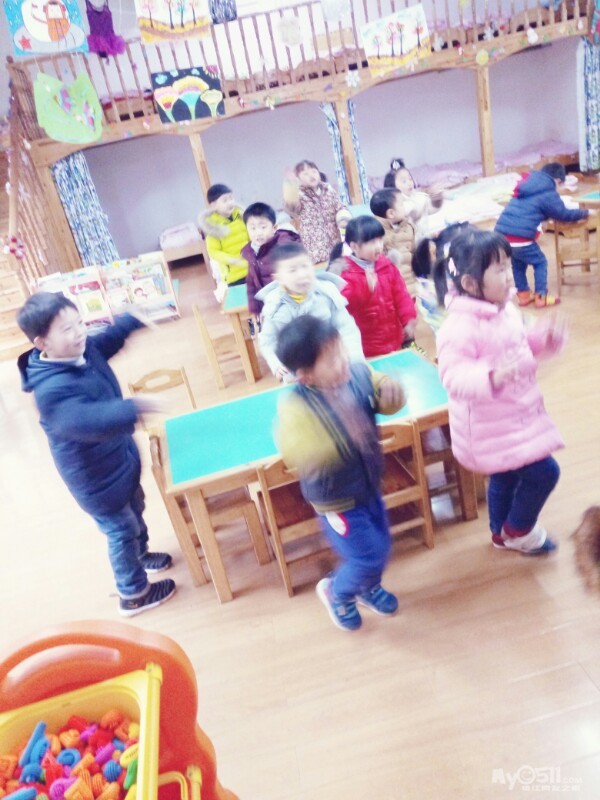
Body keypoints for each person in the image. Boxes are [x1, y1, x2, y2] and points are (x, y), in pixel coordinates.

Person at [16, 292, 176, 616]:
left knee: (136, 507)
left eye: (80, 323)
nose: (79, 333)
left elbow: (104, 342)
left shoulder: (81, 349)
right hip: (94, 478)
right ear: (42, 343)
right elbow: (88, 420)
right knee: (121, 529)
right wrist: (134, 408)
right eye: (67, 329)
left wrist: (131, 320)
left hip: (117, 459)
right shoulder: (50, 391)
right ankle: (133, 593)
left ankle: (141, 555)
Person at [433, 227, 566, 555]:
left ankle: (498, 534)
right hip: (489, 424)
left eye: (508, 266)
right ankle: (518, 531)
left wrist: (544, 340)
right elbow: (452, 377)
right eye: (500, 270)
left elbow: (520, 344)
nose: (510, 276)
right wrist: (493, 377)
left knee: (505, 477)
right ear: (470, 284)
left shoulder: (505, 309)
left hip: (516, 412)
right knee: (545, 472)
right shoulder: (458, 328)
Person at [275, 314, 406, 631]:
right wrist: (322, 443)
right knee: (367, 556)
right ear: (305, 376)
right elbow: (293, 448)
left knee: (381, 544)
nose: (343, 361)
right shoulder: (296, 407)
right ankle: (338, 591)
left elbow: (382, 394)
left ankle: (367, 587)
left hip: (368, 483)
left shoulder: (358, 374)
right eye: (331, 359)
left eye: (341, 351)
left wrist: (391, 392)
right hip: (337, 500)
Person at [256, 241, 364, 381]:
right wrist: (276, 364)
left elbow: (347, 329)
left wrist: (355, 360)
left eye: (305, 266)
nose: (302, 275)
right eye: (292, 270)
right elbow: (268, 341)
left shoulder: (326, 294)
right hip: (298, 373)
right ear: (279, 278)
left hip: (331, 366)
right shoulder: (274, 307)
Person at [495, 162, 589, 308]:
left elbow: (531, 208)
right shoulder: (548, 191)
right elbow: (563, 214)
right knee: (540, 262)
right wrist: (585, 212)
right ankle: (541, 296)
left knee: (518, 264)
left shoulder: (527, 184)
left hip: (502, 236)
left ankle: (524, 295)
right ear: (557, 181)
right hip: (521, 237)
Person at [329, 216, 417, 357]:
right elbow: (345, 305)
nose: (378, 246)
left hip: (394, 338)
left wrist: (408, 318)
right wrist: (366, 289)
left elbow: (401, 296)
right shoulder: (345, 273)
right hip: (366, 346)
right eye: (371, 242)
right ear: (354, 247)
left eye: (380, 239)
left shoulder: (387, 266)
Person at [283, 160, 351, 265]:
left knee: (339, 270)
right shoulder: (299, 195)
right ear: (298, 179)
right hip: (315, 250)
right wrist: (291, 185)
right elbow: (291, 208)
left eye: (314, 171)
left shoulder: (328, 189)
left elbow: (340, 207)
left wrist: (343, 217)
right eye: (305, 174)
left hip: (336, 246)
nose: (311, 175)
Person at [241, 201, 300, 317]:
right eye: (253, 228)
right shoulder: (251, 252)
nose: (258, 233)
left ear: (274, 228)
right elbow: (251, 282)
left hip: (288, 304)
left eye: (263, 227)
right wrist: (256, 310)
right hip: (269, 304)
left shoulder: (282, 244)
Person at [197, 183, 249, 290]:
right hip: (234, 275)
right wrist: (233, 260)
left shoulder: (242, 217)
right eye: (225, 200)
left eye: (231, 198)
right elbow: (214, 252)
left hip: (252, 268)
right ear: (213, 205)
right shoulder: (213, 226)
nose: (230, 203)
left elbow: (252, 237)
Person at [383, 157, 444, 243]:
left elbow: (431, 209)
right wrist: (420, 201)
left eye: (410, 179)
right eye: (404, 181)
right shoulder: (396, 205)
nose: (409, 183)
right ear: (392, 188)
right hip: (408, 245)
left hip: (424, 240)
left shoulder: (417, 196)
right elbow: (411, 210)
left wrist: (436, 200)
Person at [369, 187, 416, 296]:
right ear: (391, 213)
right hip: (392, 291)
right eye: (402, 204)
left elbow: (415, 252)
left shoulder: (408, 227)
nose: (405, 207)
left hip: (413, 284)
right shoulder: (376, 233)